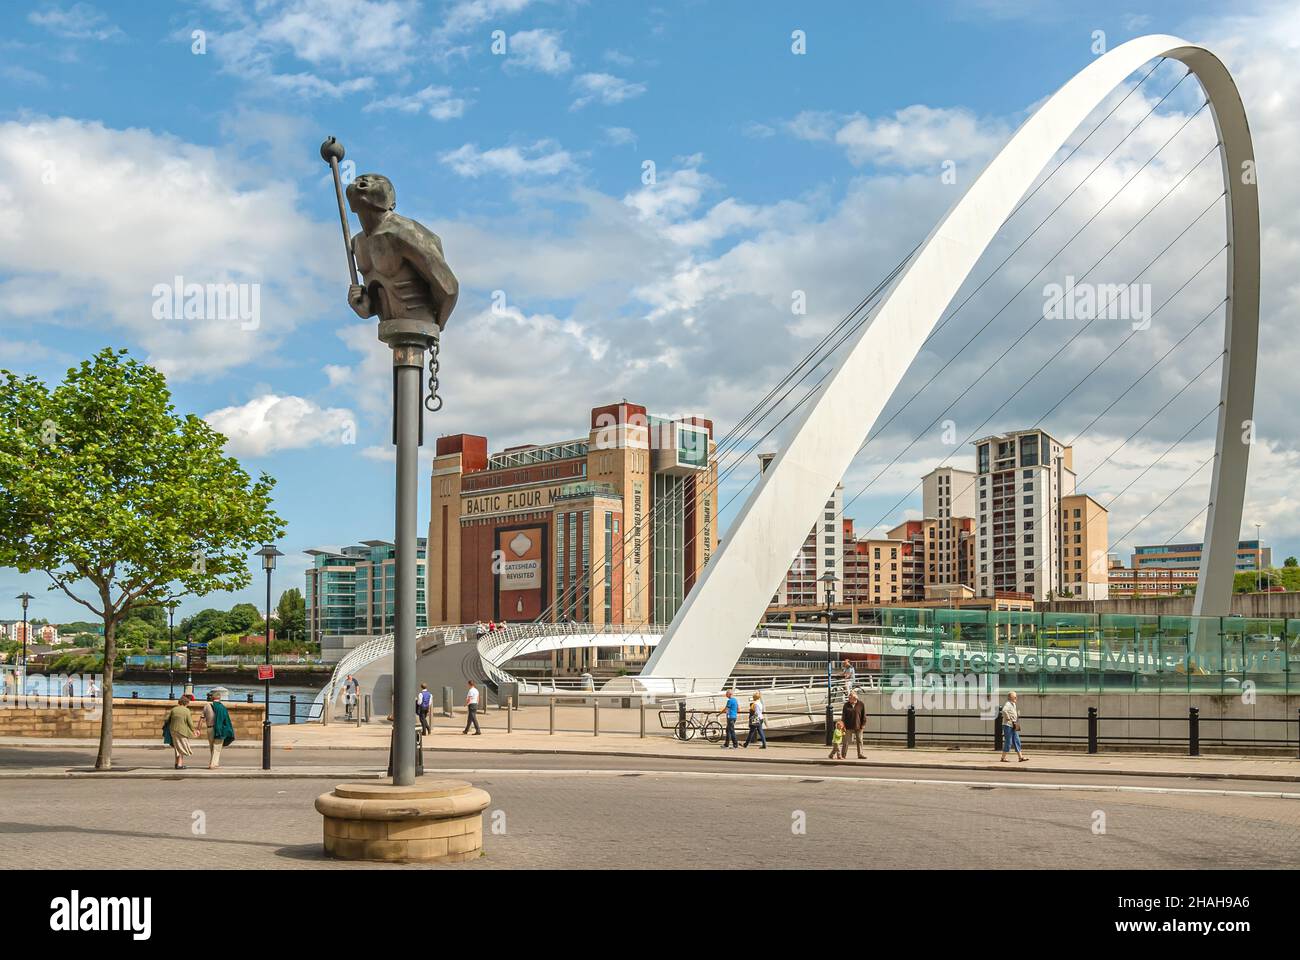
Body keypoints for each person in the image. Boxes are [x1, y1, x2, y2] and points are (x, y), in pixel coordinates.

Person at [198, 690, 235, 770]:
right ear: (219, 698)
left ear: (212, 698)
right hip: (219, 729)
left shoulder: (207, 706)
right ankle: (213, 764)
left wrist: (198, 729)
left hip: (209, 729)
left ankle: (214, 762)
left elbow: (201, 719)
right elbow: (226, 721)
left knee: (212, 747)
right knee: (217, 748)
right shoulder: (222, 708)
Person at [165, 694, 196, 770]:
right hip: (182, 731)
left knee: (177, 747)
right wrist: (194, 731)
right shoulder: (186, 710)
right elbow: (190, 723)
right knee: (181, 747)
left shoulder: (174, 709)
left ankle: (176, 763)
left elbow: (166, 720)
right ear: (186, 703)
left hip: (173, 730)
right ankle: (179, 765)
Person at [1001, 690, 1027, 762]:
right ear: (1010, 697)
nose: (1016, 697)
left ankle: (1020, 757)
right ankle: (1003, 758)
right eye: (1015, 696)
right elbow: (1004, 711)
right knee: (1008, 741)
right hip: (1008, 725)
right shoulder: (1008, 704)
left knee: (1016, 740)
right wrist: (1007, 717)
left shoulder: (1013, 704)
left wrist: (1016, 715)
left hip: (1013, 725)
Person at [840, 688, 866, 759]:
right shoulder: (846, 705)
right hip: (848, 726)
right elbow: (843, 716)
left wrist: (863, 725)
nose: (849, 698)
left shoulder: (861, 704)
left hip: (858, 726)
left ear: (854, 698)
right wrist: (843, 725)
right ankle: (843, 755)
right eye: (849, 697)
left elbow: (863, 715)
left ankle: (860, 754)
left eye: (850, 697)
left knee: (859, 740)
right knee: (845, 741)